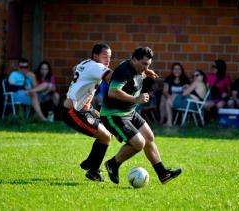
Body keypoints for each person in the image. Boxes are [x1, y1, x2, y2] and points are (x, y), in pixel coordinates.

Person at [100, 47, 182, 185]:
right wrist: (136, 99)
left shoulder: (137, 67)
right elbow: (113, 92)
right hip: (113, 114)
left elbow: (137, 73)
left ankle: (163, 174)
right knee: (138, 143)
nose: (146, 67)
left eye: (149, 64)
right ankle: (112, 164)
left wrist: (145, 71)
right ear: (134, 60)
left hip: (129, 112)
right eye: (144, 64)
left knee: (149, 137)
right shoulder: (123, 71)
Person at [61, 43, 113, 182]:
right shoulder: (96, 66)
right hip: (73, 111)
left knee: (109, 130)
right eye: (105, 56)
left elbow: (75, 69)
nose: (108, 60)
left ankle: (90, 162)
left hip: (84, 108)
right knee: (106, 137)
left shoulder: (86, 63)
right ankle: (93, 171)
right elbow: (111, 77)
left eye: (110, 57)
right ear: (95, 56)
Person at [160, 62, 190, 126]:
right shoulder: (169, 78)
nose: (177, 71)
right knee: (163, 98)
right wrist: (169, 97)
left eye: (179, 69)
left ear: (181, 70)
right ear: (172, 70)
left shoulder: (185, 79)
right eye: (175, 69)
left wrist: (176, 97)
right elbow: (165, 91)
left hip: (181, 98)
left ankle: (173, 121)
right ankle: (163, 119)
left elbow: (186, 92)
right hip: (170, 97)